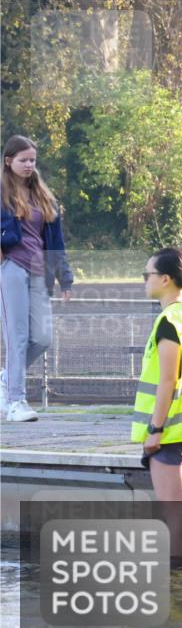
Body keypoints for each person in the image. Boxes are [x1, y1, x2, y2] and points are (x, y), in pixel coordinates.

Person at [133, 248, 182, 564]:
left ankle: (180, 583)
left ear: (165, 279)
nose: (144, 281)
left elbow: (167, 381)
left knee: (174, 513)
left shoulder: (169, 321)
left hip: (170, 431)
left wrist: (155, 429)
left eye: (147, 275)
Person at [1, 135, 74, 422]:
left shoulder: (44, 196)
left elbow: (56, 242)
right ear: (9, 161)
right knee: (16, 337)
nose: (29, 164)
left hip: (39, 271)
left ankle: (6, 377)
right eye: (23, 160)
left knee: (42, 338)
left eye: (32, 159)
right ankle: (15, 402)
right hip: (11, 268)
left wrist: (65, 278)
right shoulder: (2, 193)